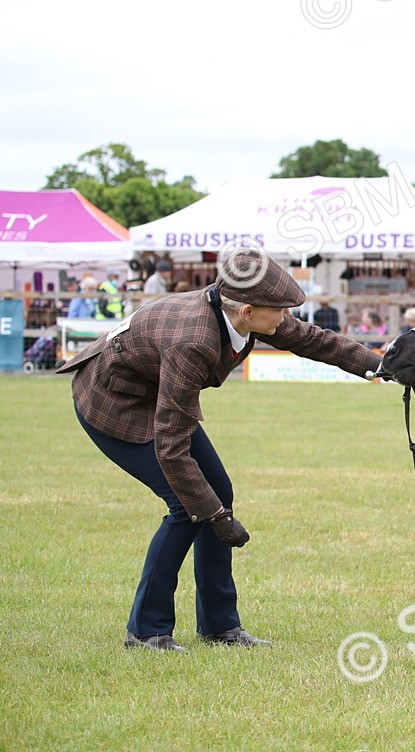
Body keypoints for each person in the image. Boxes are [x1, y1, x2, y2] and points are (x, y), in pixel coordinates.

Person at [57, 248, 384, 653]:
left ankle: (220, 627)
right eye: (279, 310)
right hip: (115, 404)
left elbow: (312, 339)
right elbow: (173, 449)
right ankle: (146, 631)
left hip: (154, 393)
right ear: (247, 311)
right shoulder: (194, 340)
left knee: (217, 496)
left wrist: (379, 365)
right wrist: (213, 516)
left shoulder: (240, 311)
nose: (285, 318)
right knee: (188, 506)